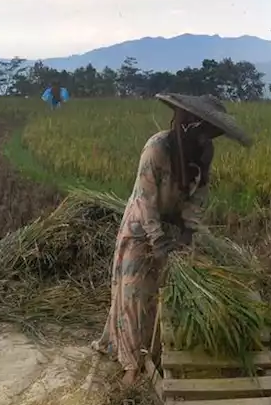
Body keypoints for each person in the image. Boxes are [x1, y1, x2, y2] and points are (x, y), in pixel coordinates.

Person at [92, 93, 253, 387]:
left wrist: (188, 233)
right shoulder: (157, 148)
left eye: (212, 134)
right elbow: (146, 200)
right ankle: (131, 364)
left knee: (160, 293)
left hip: (175, 225)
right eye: (204, 132)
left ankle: (154, 351)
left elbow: (200, 194)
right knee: (135, 294)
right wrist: (158, 243)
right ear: (190, 125)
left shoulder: (204, 153)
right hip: (142, 226)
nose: (208, 139)